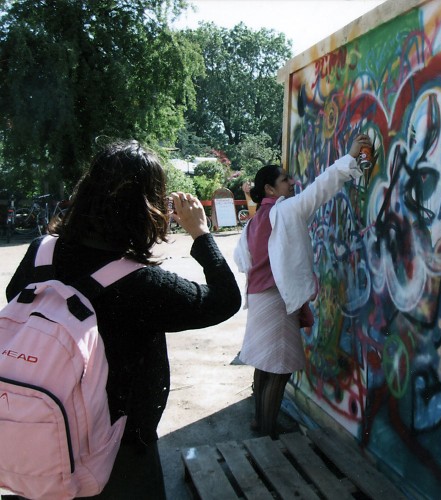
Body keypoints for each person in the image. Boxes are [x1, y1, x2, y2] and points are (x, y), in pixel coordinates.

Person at [5, 140, 241, 499]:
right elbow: (225, 300)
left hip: (40, 437)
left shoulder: (41, 252)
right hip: (119, 454)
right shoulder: (142, 284)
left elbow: (14, 298)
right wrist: (201, 234)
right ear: (146, 208)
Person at [234, 133, 372, 439]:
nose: (292, 182)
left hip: (259, 298)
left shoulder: (254, 222)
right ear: (270, 189)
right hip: (276, 300)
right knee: (280, 368)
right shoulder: (285, 211)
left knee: (265, 364)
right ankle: (267, 434)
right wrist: (350, 157)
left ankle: (260, 422)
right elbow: (321, 188)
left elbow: (242, 259)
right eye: (285, 180)